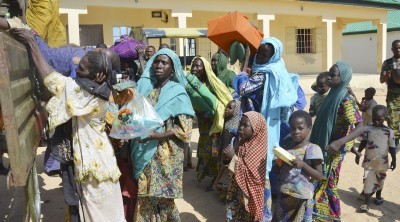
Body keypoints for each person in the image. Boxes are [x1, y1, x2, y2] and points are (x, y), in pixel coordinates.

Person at [12, 29, 125, 221]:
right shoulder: (98, 89)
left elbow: (55, 80)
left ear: (98, 76)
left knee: (99, 213)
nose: (77, 72)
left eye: (81, 69)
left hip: (95, 167)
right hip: (94, 163)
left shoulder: (89, 97)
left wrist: (32, 43)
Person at [234, 37, 299, 221]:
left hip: (259, 125)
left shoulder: (263, 75)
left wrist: (244, 64)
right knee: (264, 163)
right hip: (269, 123)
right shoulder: (279, 70)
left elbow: (243, 88)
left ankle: (261, 211)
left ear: (273, 56)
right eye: (258, 53)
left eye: (265, 54)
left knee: (258, 165)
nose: (260, 57)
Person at [130, 48, 194, 221]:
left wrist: (158, 136)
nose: (159, 65)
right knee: (145, 197)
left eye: (164, 63)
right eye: (156, 62)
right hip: (144, 151)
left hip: (165, 155)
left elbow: (186, 130)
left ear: (172, 68)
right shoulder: (146, 89)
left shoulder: (178, 92)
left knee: (164, 199)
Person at [310, 61, 364, 221]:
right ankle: (319, 214)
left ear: (343, 77)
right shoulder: (331, 95)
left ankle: (334, 216)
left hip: (334, 149)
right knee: (320, 179)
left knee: (330, 183)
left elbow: (360, 127)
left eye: (332, 75)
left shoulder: (345, 101)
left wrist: (341, 142)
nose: (329, 77)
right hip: (323, 145)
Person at [273, 110, 323, 222]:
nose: (296, 131)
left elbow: (319, 176)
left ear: (309, 129)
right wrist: (278, 163)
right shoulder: (288, 147)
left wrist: (303, 164)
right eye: (293, 128)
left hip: (301, 197)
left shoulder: (312, 149)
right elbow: (278, 171)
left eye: (300, 128)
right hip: (284, 194)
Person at [190, 56, 233, 188]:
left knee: (214, 152)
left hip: (214, 125)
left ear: (205, 68)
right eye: (194, 66)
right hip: (202, 124)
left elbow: (223, 99)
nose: (195, 69)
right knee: (203, 149)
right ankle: (205, 173)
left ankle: (215, 179)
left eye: (198, 66)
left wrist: (214, 111)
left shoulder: (212, 83)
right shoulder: (192, 83)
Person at [224, 111, 268, 222]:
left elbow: (251, 175)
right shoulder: (242, 143)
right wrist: (229, 158)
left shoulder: (257, 149)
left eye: (245, 126)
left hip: (248, 194)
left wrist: (233, 157)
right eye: (240, 124)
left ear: (256, 128)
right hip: (237, 191)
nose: (240, 128)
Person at [355, 105, 396, 212]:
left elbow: (392, 147)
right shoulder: (368, 128)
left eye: (380, 119)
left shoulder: (389, 132)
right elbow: (363, 142)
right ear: (372, 116)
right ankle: (367, 202)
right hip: (369, 162)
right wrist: (358, 153)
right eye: (374, 119)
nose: (376, 121)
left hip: (382, 162)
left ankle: (378, 196)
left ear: (385, 119)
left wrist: (394, 160)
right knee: (368, 180)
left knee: (380, 179)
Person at [213, 99, 242, 199]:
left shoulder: (236, 127)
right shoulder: (227, 122)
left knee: (226, 173)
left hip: (228, 154)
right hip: (223, 152)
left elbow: (234, 142)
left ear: (237, 110)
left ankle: (225, 193)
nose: (227, 110)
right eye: (226, 107)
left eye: (230, 108)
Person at [381, 40, 400, 145]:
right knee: (392, 119)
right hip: (392, 95)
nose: (398, 50)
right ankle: (395, 142)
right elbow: (381, 80)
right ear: (392, 49)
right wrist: (387, 76)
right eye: (396, 48)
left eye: (399, 47)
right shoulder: (387, 63)